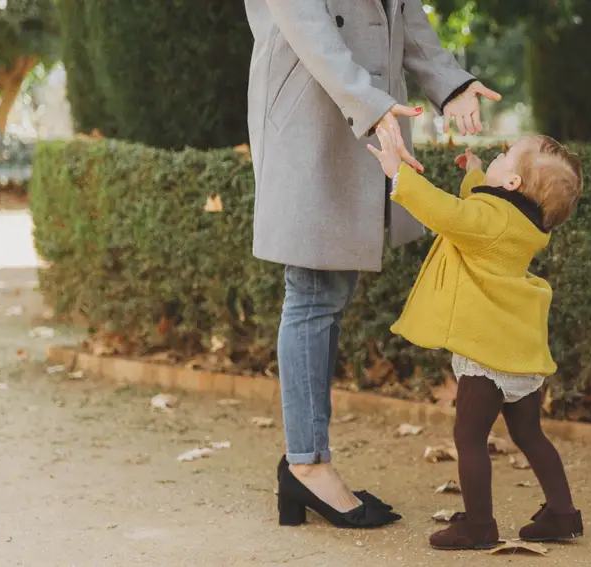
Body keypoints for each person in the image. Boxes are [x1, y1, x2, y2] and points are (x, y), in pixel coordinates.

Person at [243, 0, 501, 529]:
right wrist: (369, 101)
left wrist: (449, 83)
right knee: (313, 290)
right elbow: (304, 21)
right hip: (314, 107)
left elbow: (402, 14)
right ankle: (307, 464)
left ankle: (305, 459)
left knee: (328, 291)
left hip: (364, 110)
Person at [367, 126, 585, 550]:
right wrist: (475, 171)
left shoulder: (490, 222)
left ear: (513, 184)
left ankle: (478, 526)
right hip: (519, 353)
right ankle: (563, 514)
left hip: (488, 355)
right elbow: (479, 205)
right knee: (529, 435)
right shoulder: (520, 223)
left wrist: (400, 175)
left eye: (504, 156)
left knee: (468, 438)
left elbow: (450, 214)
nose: (498, 156)